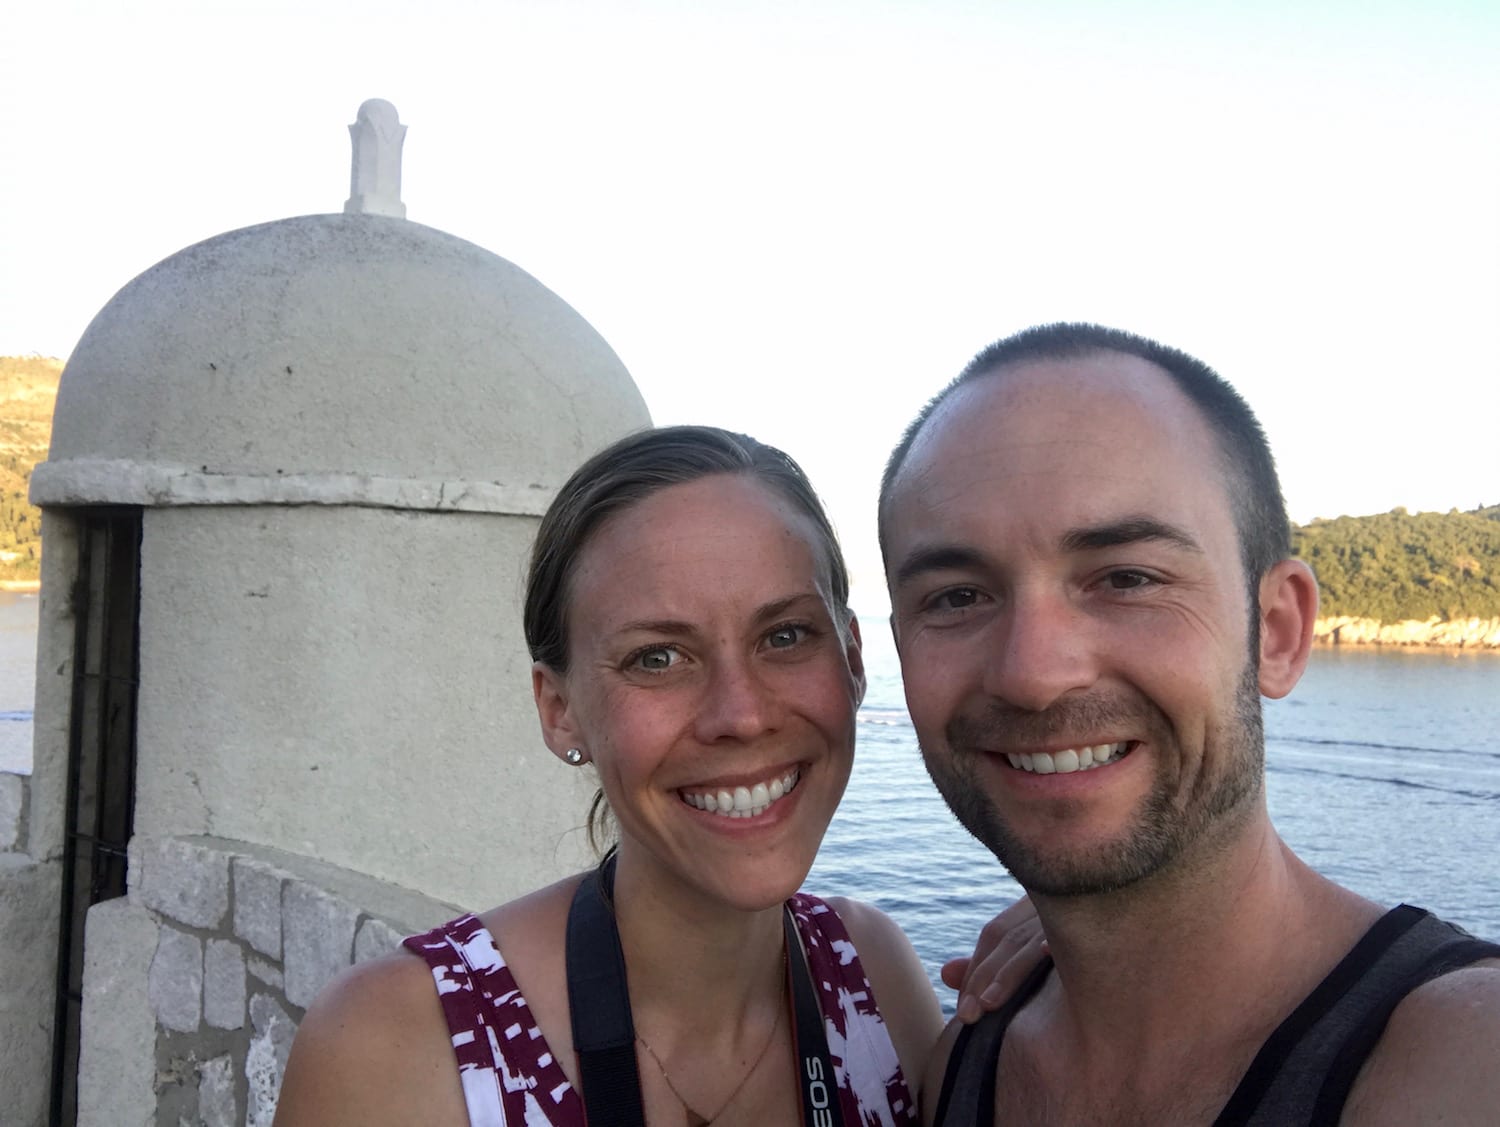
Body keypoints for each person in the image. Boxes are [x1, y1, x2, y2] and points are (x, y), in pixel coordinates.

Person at [274, 425, 1034, 1127]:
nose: (740, 713)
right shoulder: (398, 1047)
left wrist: (1089, 940)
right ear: (560, 707)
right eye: (657, 657)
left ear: (854, 659)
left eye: (786, 634)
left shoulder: (869, 972)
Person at [878, 322, 1500, 1126]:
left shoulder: (1458, 1062)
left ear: (1276, 630)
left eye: (1127, 577)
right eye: (957, 596)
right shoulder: (959, 1062)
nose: (1032, 674)